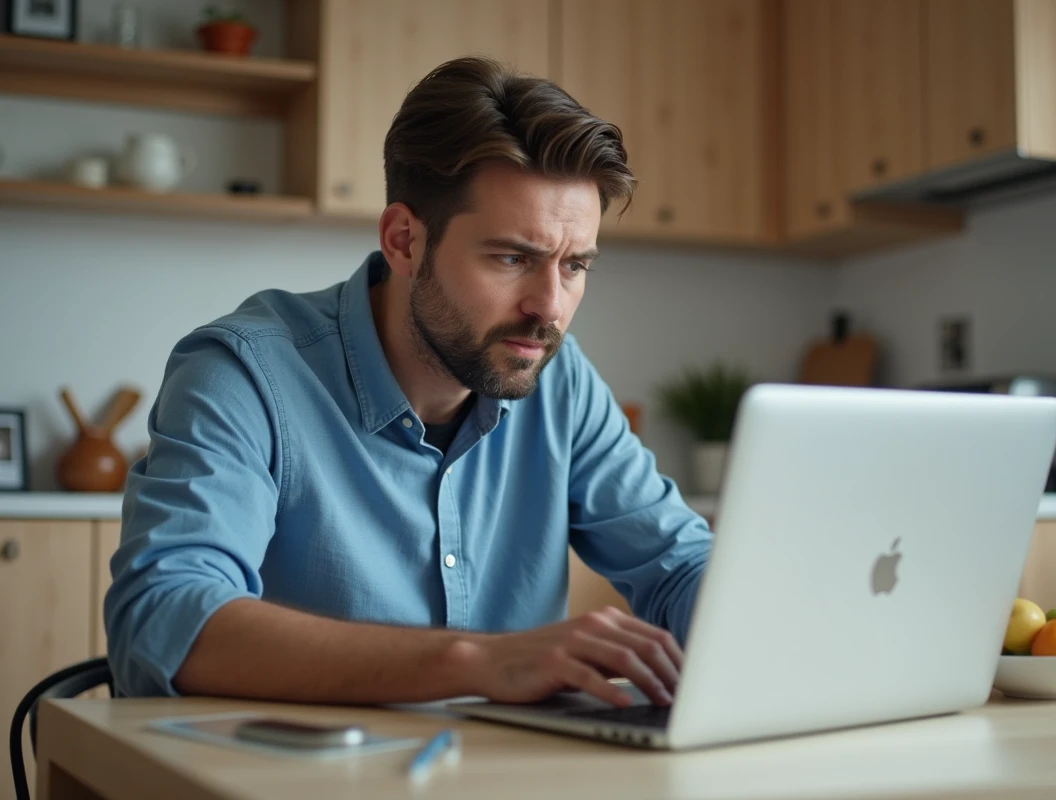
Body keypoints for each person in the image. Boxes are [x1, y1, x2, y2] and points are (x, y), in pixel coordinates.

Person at [104, 56, 713, 710]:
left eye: (574, 266)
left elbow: (679, 566)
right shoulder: (244, 374)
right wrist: (476, 662)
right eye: (513, 257)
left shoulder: (559, 381)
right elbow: (165, 618)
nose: (550, 307)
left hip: (514, 764)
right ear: (403, 241)